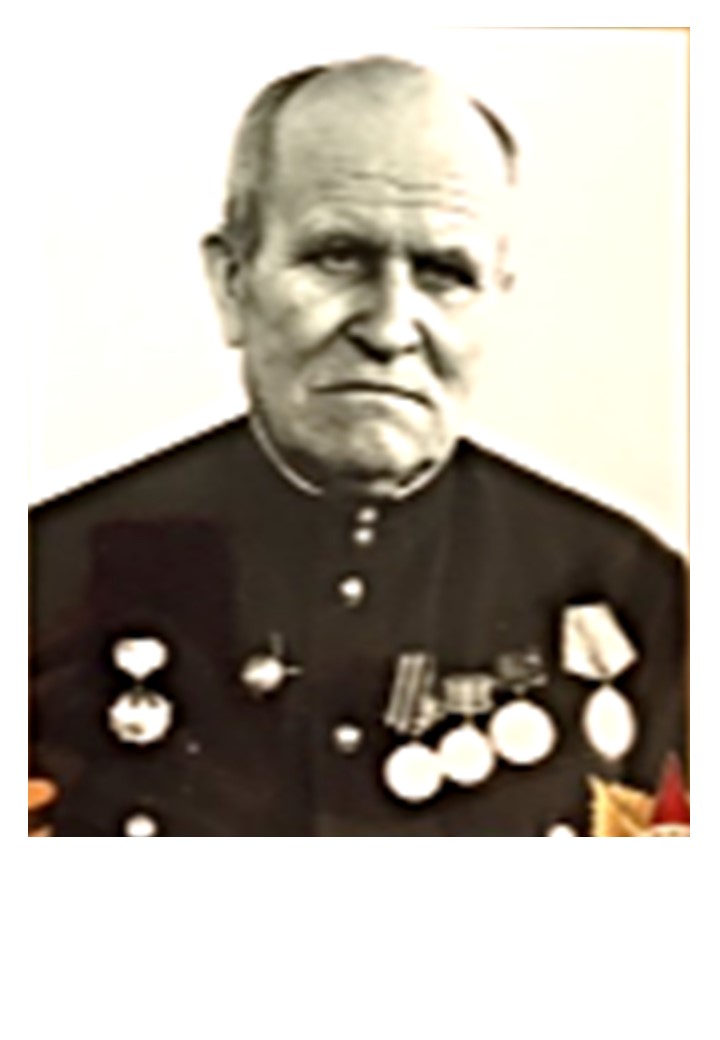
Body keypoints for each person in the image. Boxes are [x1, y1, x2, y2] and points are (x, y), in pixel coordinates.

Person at [29, 55, 687, 837]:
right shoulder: (39, 576)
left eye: (445, 273)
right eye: (338, 257)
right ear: (232, 282)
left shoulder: (639, 594)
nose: (389, 328)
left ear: (494, 303)